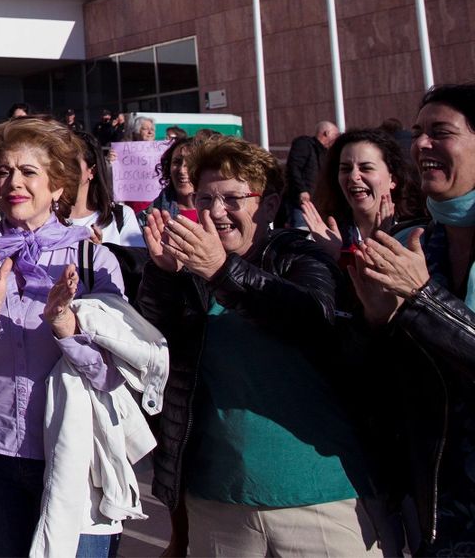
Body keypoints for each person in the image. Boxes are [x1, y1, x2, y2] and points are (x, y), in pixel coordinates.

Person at [137, 134, 389, 556]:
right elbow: (158, 348)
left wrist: (220, 270)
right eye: (205, 199)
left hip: (319, 497)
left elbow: (310, 316)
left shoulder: (299, 256)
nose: (216, 212)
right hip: (215, 498)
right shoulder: (191, 266)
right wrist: (164, 274)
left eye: (233, 198)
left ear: (269, 206)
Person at [0, 116, 127, 557]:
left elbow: (111, 375)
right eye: (3, 171)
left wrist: (66, 328)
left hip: (72, 453)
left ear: (58, 186)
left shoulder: (92, 260)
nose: (13, 183)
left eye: (28, 172)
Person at [340, 84, 475, 553]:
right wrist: (381, 323)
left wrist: (423, 298)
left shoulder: (417, 268)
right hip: (437, 505)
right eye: (418, 132)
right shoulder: (420, 243)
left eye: (441, 133)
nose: (420, 145)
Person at [303, 128, 422, 262]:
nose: (354, 177)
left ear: (392, 179)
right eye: (346, 169)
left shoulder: (416, 235)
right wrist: (331, 259)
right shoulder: (324, 235)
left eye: (366, 168)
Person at [65, 129, 145, 248]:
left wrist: (101, 254)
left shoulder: (121, 216)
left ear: (92, 171)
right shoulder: (44, 217)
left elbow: (135, 263)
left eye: (71, 162)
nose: (62, 168)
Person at [285, 120, 340, 225]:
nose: (337, 139)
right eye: (336, 135)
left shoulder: (327, 154)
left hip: (318, 205)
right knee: (302, 234)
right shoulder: (305, 144)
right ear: (326, 133)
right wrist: (302, 190)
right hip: (302, 204)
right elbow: (293, 167)